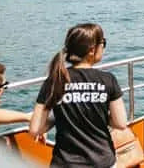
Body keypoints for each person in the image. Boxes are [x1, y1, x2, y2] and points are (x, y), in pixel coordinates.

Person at [29, 23, 128, 168]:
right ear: (91, 50)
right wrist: (97, 114)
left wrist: (60, 116)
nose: (104, 48)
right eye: (103, 43)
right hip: (102, 161)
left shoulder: (54, 81)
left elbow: (35, 129)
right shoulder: (108, 80)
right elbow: (120, 123)